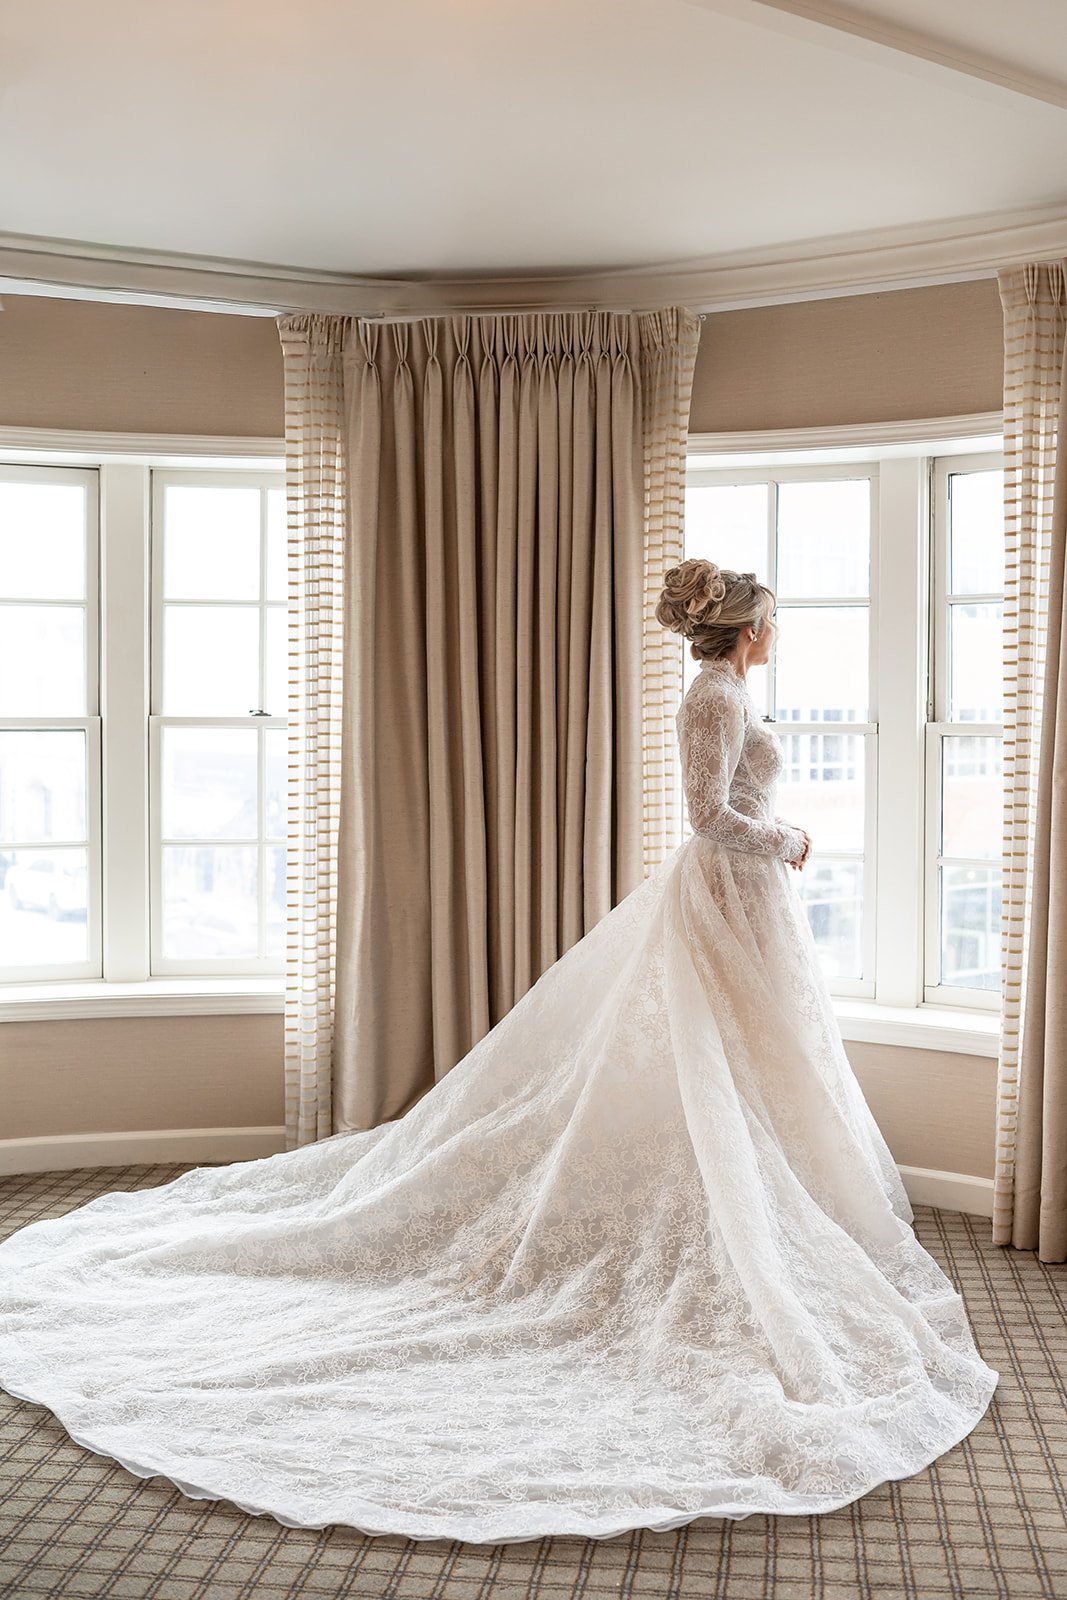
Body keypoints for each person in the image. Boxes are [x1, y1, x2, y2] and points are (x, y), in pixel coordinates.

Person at [0, 560, 998, 1546]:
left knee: (754, 1064)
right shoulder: (711, 697)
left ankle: (783, 1210)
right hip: (727, 890)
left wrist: (770, 848)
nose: (771, 637)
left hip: (745, 903)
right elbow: (705, 816)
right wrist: (784, 838)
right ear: (743, 632)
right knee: (706, 1062)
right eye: (767, 623)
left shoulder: (725, 688)